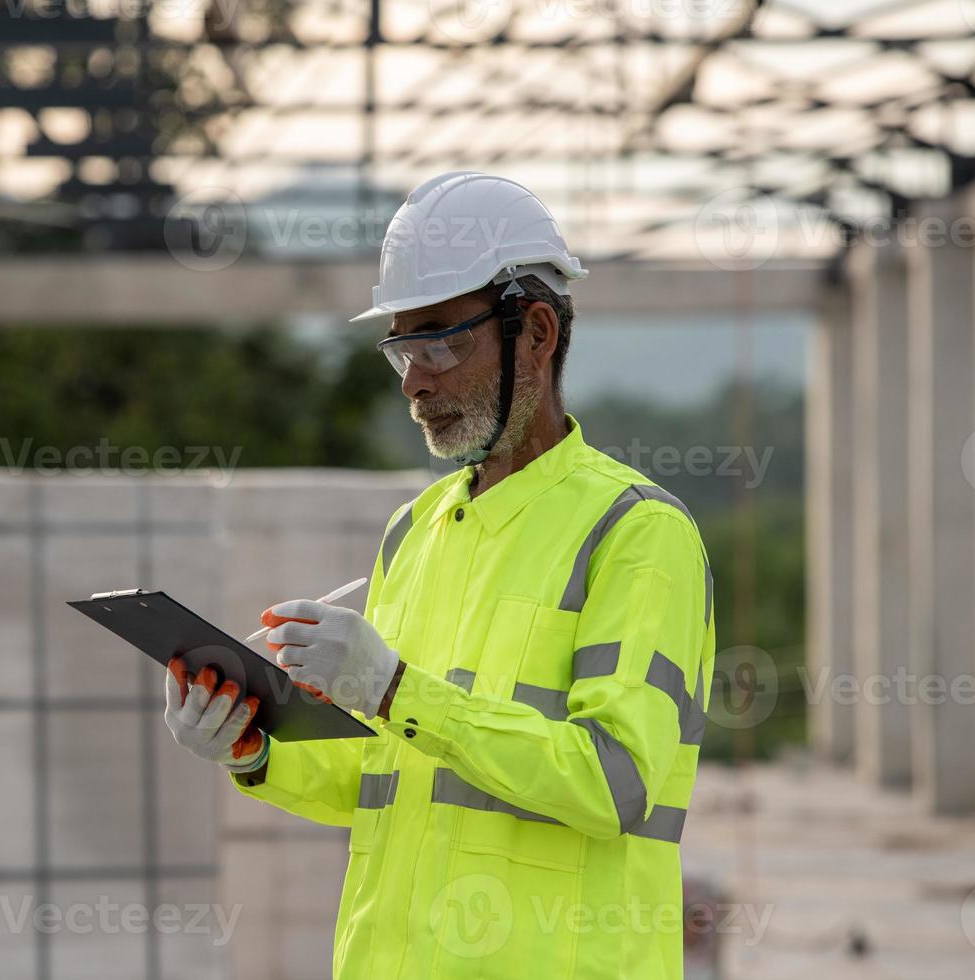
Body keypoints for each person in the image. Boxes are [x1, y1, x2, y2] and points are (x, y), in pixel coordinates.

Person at [163, 170, 715, 979]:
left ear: (535, 332)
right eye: (400, 349)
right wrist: (251, 744)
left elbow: (613, 781)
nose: (415, 381)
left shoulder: (634, 534)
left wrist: (395, 690)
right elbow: (382, 776)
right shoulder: (415, 532)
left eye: (440, 342)